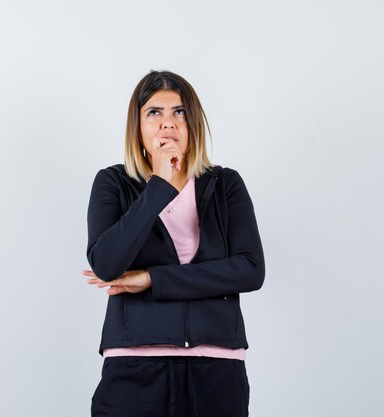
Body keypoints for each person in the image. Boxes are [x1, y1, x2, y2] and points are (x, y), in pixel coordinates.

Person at [82, 70, 265, 417]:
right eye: (154, 112)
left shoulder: (225, 185)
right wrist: (159, 187)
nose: (168, 123)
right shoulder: (113, 183)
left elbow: (250, 270)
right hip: (134, 369)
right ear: (137, 126)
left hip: (217, 368)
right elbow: (106, 264)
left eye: (179, 112)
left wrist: (153, 278)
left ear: (193, 122)